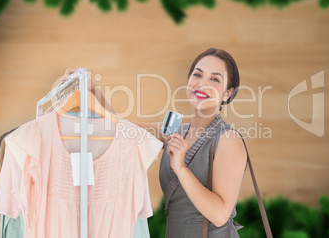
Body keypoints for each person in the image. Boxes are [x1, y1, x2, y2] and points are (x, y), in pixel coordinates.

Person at [60, 48, 248, 237]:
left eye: (214, 79)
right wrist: (94, 90)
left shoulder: (228, 140)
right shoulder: (173, 131)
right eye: (197, 75)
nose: (202, 84)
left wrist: (181, 168)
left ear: (227, 93)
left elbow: (219, 215)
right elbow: (120, 127)